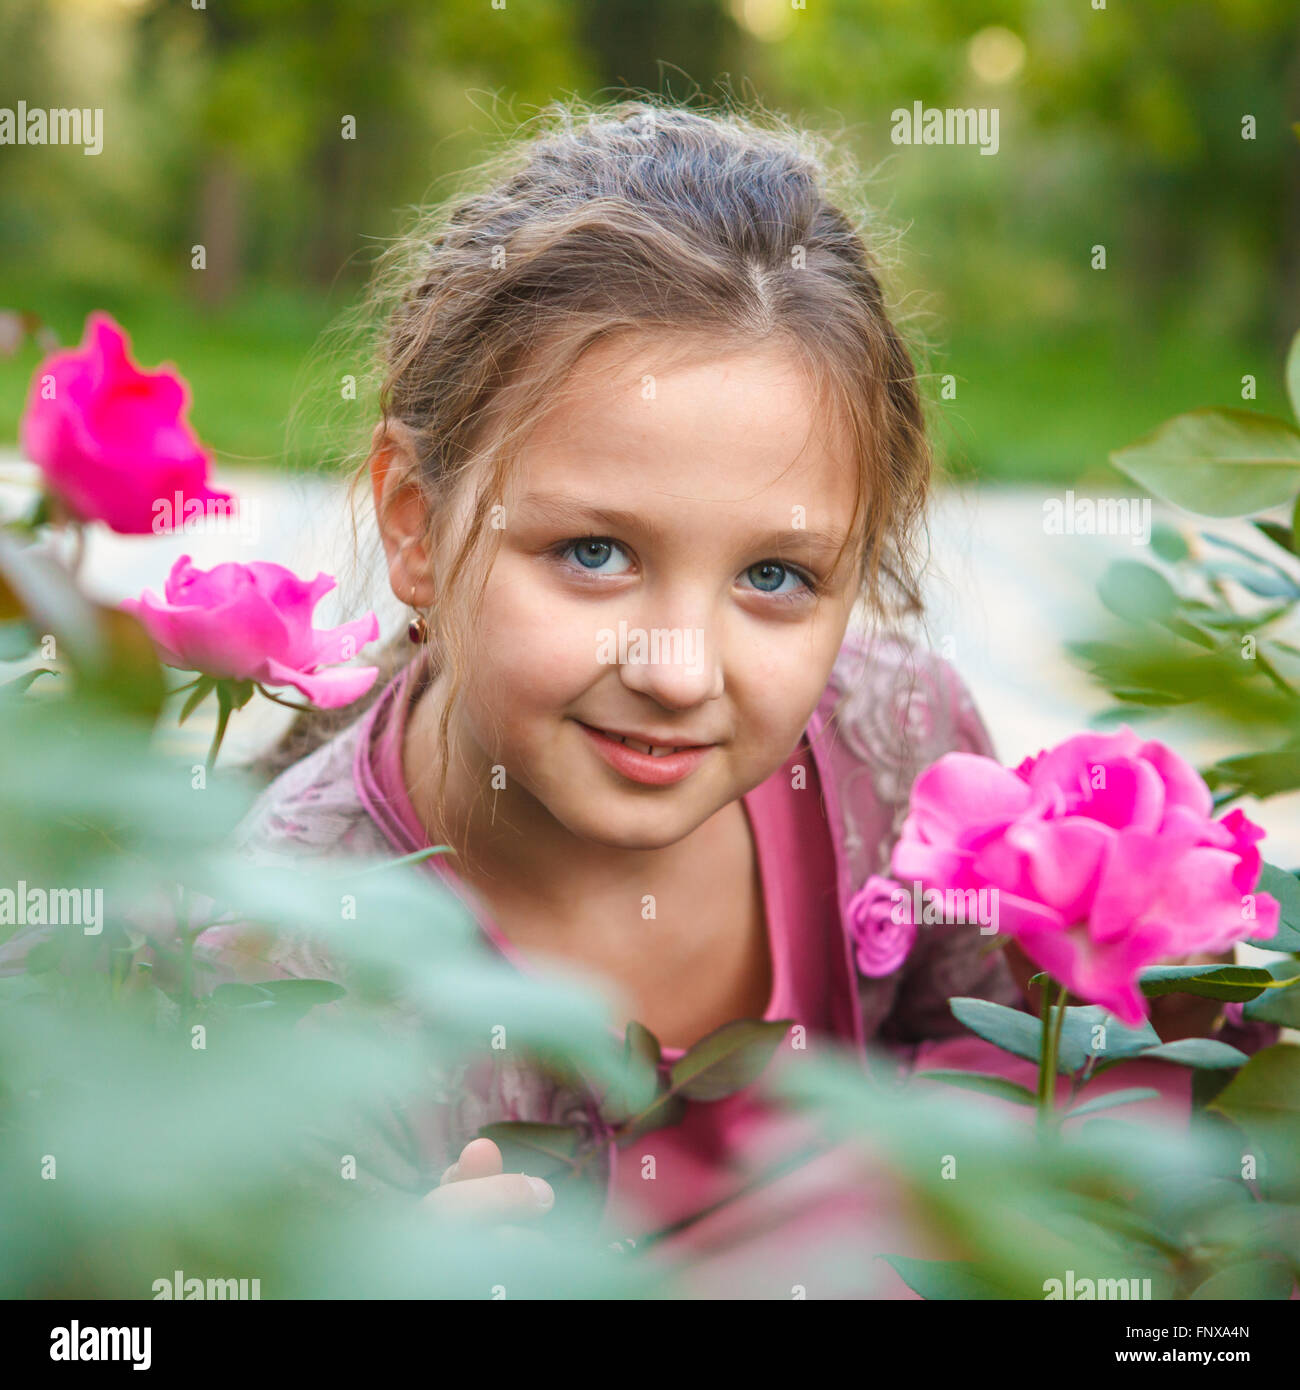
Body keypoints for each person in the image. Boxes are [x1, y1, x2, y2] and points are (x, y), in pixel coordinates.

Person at [213, 101, 1266, 1277]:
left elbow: (1041, 1116)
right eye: (594, 553)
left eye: (774, 574)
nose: (679, 672)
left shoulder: (893, 749)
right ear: (415, 522)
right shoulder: (289, 963)